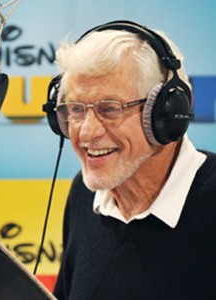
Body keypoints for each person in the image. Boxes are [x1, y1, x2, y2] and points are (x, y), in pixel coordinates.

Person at [44, 21, 216, 299]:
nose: (87, 132)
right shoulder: (84, 194)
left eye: (109, 109)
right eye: (76, 109)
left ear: (167, 113)